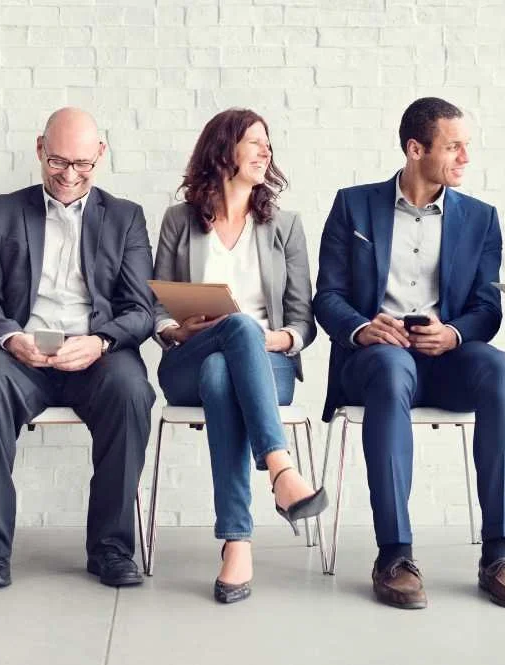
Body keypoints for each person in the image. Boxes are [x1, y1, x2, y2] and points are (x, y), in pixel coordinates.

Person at [313, 97, 505, 609]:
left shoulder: (481, 218)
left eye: (466, 146)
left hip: (447, 357)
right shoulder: (354, 205)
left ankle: (499, 554)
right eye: (453, 146)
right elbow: (327, 296)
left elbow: (486, 307)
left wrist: (454, 333)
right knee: (392, 369)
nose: (464, 158)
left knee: (501, 370)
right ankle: (394, 554)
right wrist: (364, 327)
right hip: (377, 358)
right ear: (416, 149)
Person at [0, 107, 155, 589]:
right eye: (58, 163)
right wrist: (12, 339)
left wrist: (100, 341)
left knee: (133, 392)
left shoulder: (126, 217)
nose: (70, 176)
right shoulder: (2, 211)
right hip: (21, 352)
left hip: (97, 353)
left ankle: (110, 549)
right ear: (40, 149)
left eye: (83, 165)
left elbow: (142, 309)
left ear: (101, 155)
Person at [152, 108, 324, 604]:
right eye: (252, 141)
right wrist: (175, 327)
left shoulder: (285, 227)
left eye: (267, 142)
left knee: (225, 367)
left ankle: (237, 541)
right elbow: (155, 306)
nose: (264, 150)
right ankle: (281, 471)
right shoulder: (179, 221)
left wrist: (275, 339)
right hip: (189, 354)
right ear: (222, 150)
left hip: (266, 364)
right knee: (225, 344)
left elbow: (301, 321)